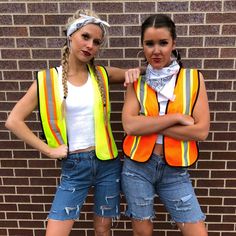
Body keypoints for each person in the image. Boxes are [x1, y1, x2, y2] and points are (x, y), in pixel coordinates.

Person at [5, 9, 139, 236]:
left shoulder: (102, 74)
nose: (90, 45)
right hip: (74, 165)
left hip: (107, 162)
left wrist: (138, 72)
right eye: (85, 37)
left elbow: (134, 73)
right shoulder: (48, 80)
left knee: (103, 228)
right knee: (56, 231)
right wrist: (48, 150)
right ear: (70, 36)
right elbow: (14, 121)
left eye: (96, 42)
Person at [121, 14, 210, 236]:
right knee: (143, 231)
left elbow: (200, 131)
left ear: (174, 44)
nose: (156, 50)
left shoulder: (193, 79)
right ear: (142, 46)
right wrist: (175, 118)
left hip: (175, 170)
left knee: (196, 231)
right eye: (149, 44)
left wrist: (149, 125)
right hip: (137, 168)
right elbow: (130, 126)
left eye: (163, 43)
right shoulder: (136, 81)